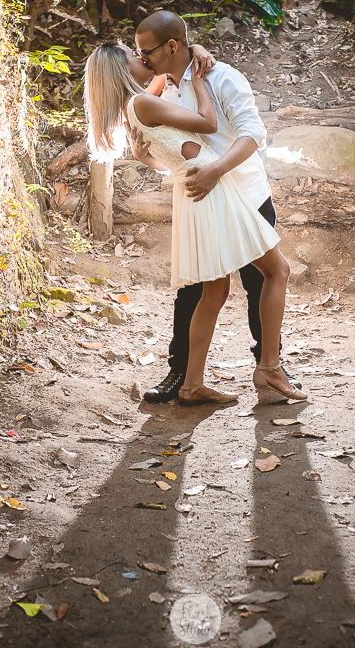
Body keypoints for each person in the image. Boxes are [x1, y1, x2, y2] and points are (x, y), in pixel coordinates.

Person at [84, 38, 306, 405]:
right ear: (123, 70)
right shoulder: (145, 101)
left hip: (216, 190)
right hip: (213, 192)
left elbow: (174, 148)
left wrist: (195, 49)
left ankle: (193, 384)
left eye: (144, 51)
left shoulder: (141, 102)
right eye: (131, 54)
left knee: (216, 290)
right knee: (275, 272)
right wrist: (197, 81)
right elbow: (207, 122)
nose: (140, 56)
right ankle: (266, 367)